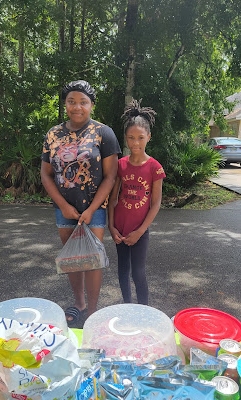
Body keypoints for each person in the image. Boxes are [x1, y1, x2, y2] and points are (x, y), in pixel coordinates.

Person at [41, 80, 121, 326]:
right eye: (71, 101)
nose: (77, 107)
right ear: (65, 104)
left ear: (91, 105)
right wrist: (64, 206)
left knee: (92, 261)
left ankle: (93, 311)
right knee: (73, 259)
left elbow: (111, 176)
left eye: (83, 102)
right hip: (64, 210)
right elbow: (45, 174)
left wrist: (92, 209)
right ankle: (79, 303)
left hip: (94, 208)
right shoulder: (53, 134)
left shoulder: (103, 132)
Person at [108, 98, 166, 305]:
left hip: (140, 231)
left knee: (138, 273)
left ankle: (144, 310)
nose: (135, 143)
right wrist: (111, 227)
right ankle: (127, 306)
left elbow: (156, 203)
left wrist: (140, 232)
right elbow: (113, 198)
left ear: (148, 137)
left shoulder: (154, 168)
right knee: (122, 271)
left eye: (140, 138)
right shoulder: (120, 165)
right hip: (120, 230)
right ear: (125, 138)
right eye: (131, 138)